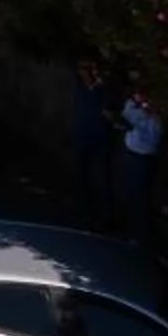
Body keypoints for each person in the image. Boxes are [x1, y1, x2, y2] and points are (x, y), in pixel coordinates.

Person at [69, 59, 119, 225]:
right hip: (82, 137)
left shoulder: (103, 91)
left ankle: (106, 216)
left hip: (100, 139)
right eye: (81, 69)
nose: (84, 73)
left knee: (102, 177)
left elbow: (109, 114)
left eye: (87, 69)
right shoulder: (80, 89)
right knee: (80, 174)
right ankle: (83, 210)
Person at [116, 88, 164, 244]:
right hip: (129, 152)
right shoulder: (133, 106)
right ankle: (127, 230)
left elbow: (153, 137)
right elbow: (125, 117)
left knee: (140, 198)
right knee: (127, 192)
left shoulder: (156, 117)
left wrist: (147, 112)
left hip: (143, 158)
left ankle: (141, 235)